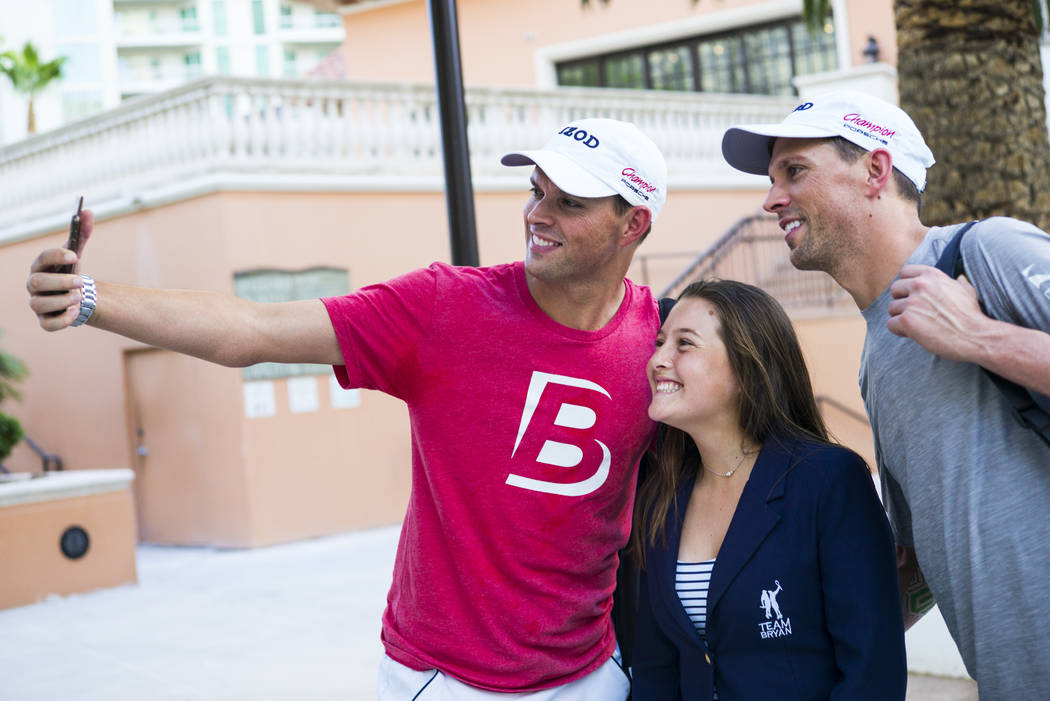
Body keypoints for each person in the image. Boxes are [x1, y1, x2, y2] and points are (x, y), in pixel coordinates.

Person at [27, 118, 669, 699]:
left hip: (591, 676)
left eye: (570, 203)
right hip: (447, 681)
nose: (538, 214)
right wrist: (90, 299)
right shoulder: (446, 308)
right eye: (536, 191)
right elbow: (254, 330)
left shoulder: (663, 343)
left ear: (633, 224)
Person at [721, 90, 1050, 697]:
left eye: (795, 171)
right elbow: (920, 561)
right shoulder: (877, 353)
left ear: (876, 170)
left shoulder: (984, 254)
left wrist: (979, 336)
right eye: (772, 179)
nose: (771, 200)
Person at [630, 279, 906, 700]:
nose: (657, 360)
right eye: (659, 342)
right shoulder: (660, 498)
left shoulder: (828, 479)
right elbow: (655, 669)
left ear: (746, 369)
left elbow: (872, 671)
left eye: (684, 345)